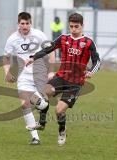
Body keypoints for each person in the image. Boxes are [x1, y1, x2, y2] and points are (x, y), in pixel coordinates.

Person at [25, 13, 100, 146]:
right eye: (71, 26)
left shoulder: (88, 42)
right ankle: (41, 123)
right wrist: (33, 57)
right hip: (61, 77)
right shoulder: (63, 38)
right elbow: (48, 49)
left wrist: (91, 72)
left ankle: (62, 130)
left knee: (59, 110)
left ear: (82, 26)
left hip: (75, 83)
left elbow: (97, 61)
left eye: (76, 27)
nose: (73, 29)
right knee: (42, 93)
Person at [3, 12, 55, 145]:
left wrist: (51, 71)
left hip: (39, 74)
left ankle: (43, 108)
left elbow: (52, 51)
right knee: (25, 104)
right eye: (22, 23)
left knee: (42, 103)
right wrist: (7, 72)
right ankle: (35, 137)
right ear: (18, 24)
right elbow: (6, 57)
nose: (25, 26)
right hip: (23, 77)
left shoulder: (39, 35)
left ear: (31, 23)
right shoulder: (12, 38)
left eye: (27, 23)